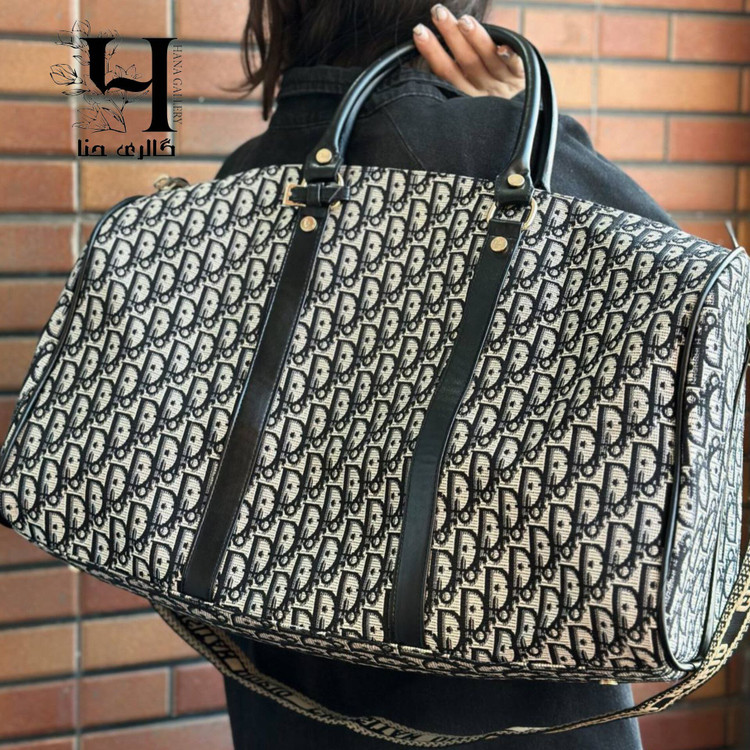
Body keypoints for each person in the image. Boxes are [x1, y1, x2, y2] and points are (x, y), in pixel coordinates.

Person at [189, 2, 676, 747]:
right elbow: (683, 317)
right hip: (511, 703)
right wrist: (527, 124)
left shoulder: (242, 179)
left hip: (287, 699)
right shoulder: (495, 150)